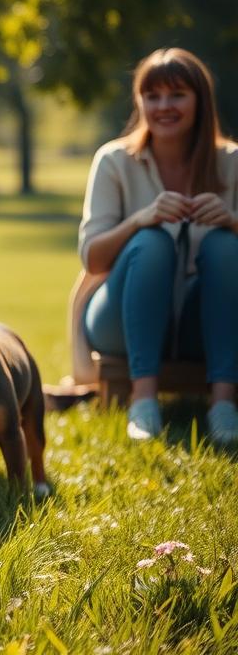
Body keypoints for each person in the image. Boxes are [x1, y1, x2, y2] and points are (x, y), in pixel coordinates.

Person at [78, 47, 238, 443]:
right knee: (151, 242)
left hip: (208, 323)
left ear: (200, 100)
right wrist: (140, 219)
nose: (163, 106)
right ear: (140, 101)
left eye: (177, 95)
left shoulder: (232, 162)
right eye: (152, 96)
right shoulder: (114, 160)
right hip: (121, 318)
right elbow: (92, 259)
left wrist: (232, 221)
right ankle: (143, 403)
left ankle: (223, 406)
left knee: (224, 245)